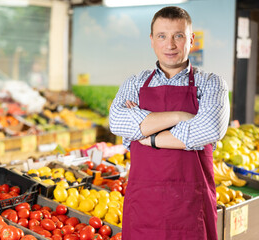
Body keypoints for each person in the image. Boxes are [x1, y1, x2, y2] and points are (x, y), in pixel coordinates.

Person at [109, 6, 229, 240]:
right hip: (144, 205)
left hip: (192, 206)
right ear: (152, 40)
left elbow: (209, 128)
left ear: (191, 39)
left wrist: (147, 136)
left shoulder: (212, 83)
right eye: (162, 36)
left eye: (178, 35)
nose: (170, 44)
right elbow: (117, 122)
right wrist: (179, 117)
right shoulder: (135, 83)